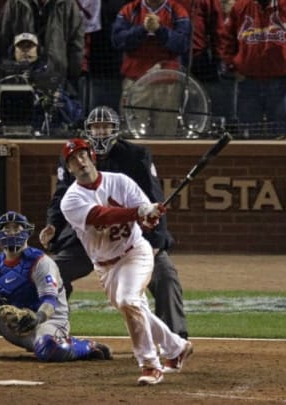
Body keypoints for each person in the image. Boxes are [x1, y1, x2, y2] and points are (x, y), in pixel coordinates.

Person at [39, 106, 188, 339]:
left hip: (131, 237)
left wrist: (155, 241)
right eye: (95, 127)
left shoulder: (136, 155)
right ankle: (50, 333)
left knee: (165, 275)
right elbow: (60, 196)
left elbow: (154, 200)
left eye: (105, 127)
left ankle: (173, 338)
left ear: (115, 129)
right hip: (88, 240)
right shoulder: (74, 156)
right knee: (51, 273)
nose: (100, 132)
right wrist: (52, 225)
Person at [59, 137, 193, 385]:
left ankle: (150, 364)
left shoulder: (120, 181)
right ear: (69, 168)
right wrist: (138, 212)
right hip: (105, 265)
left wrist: (149, 216)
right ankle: (176, 347)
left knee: (128, 300)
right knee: (134, 307)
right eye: (73, 160)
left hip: (134, 253)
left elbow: (143, 208)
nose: (80, 161)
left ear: (92, 157)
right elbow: (101, 216)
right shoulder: (70, 200)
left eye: (83, 155)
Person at [0, 210, 114, 362]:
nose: (11, 232)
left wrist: (37, 318)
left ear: (27, 232)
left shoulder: (41, 262)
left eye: (16, 228)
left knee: (49, 349)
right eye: (6, 229)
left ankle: (86, 346)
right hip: (17, 325)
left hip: (48, 321)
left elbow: (50, 301)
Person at [218, 0, 286, 137]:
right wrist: (232, 66)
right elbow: (226, 38)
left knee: (282, 132)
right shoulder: (241, 7)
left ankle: (284, 158)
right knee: (249, 132)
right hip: (247, 81)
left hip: (282, 79)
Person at [112, 0, 191, 137]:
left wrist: (160, 30)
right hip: (136, 80)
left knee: (166, 135)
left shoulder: (177, 10)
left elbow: (183, 44)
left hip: (168, 83)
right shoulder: (130, 10)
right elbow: (117, 40)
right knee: (132, 133)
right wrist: (142, 29)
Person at [0, 32, 83, 136]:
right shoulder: (1, 78)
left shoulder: (52, 78)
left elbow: (75, 115)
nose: (25, 51)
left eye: (29, 46)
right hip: (7, 132)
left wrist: (59, 98)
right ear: (13, 51)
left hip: (44, 133)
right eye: (21, 47)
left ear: (38, 51)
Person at [0, 0, 85, 87]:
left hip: (56, 76)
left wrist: (72, 77)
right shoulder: (15, 3)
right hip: (20, 77)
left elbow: (76, 45)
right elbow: (3, 40)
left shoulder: (68, 4)